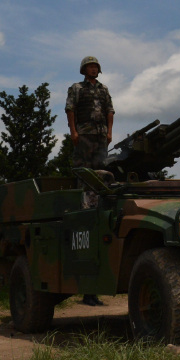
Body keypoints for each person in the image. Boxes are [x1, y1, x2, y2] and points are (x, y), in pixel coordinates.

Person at [65, 55, 113, 307]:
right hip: (83, 133)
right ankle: (84, 203)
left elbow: (109, 111)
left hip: (100, 136)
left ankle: (97, 200)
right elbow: (70, 109)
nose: (93, 69)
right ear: (84, 69)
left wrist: (110, 132)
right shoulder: (76, 88)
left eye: (96, 66)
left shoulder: (103, 90)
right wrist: (73, 131)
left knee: (100, 171)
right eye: (90, 67)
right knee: (83, 171)